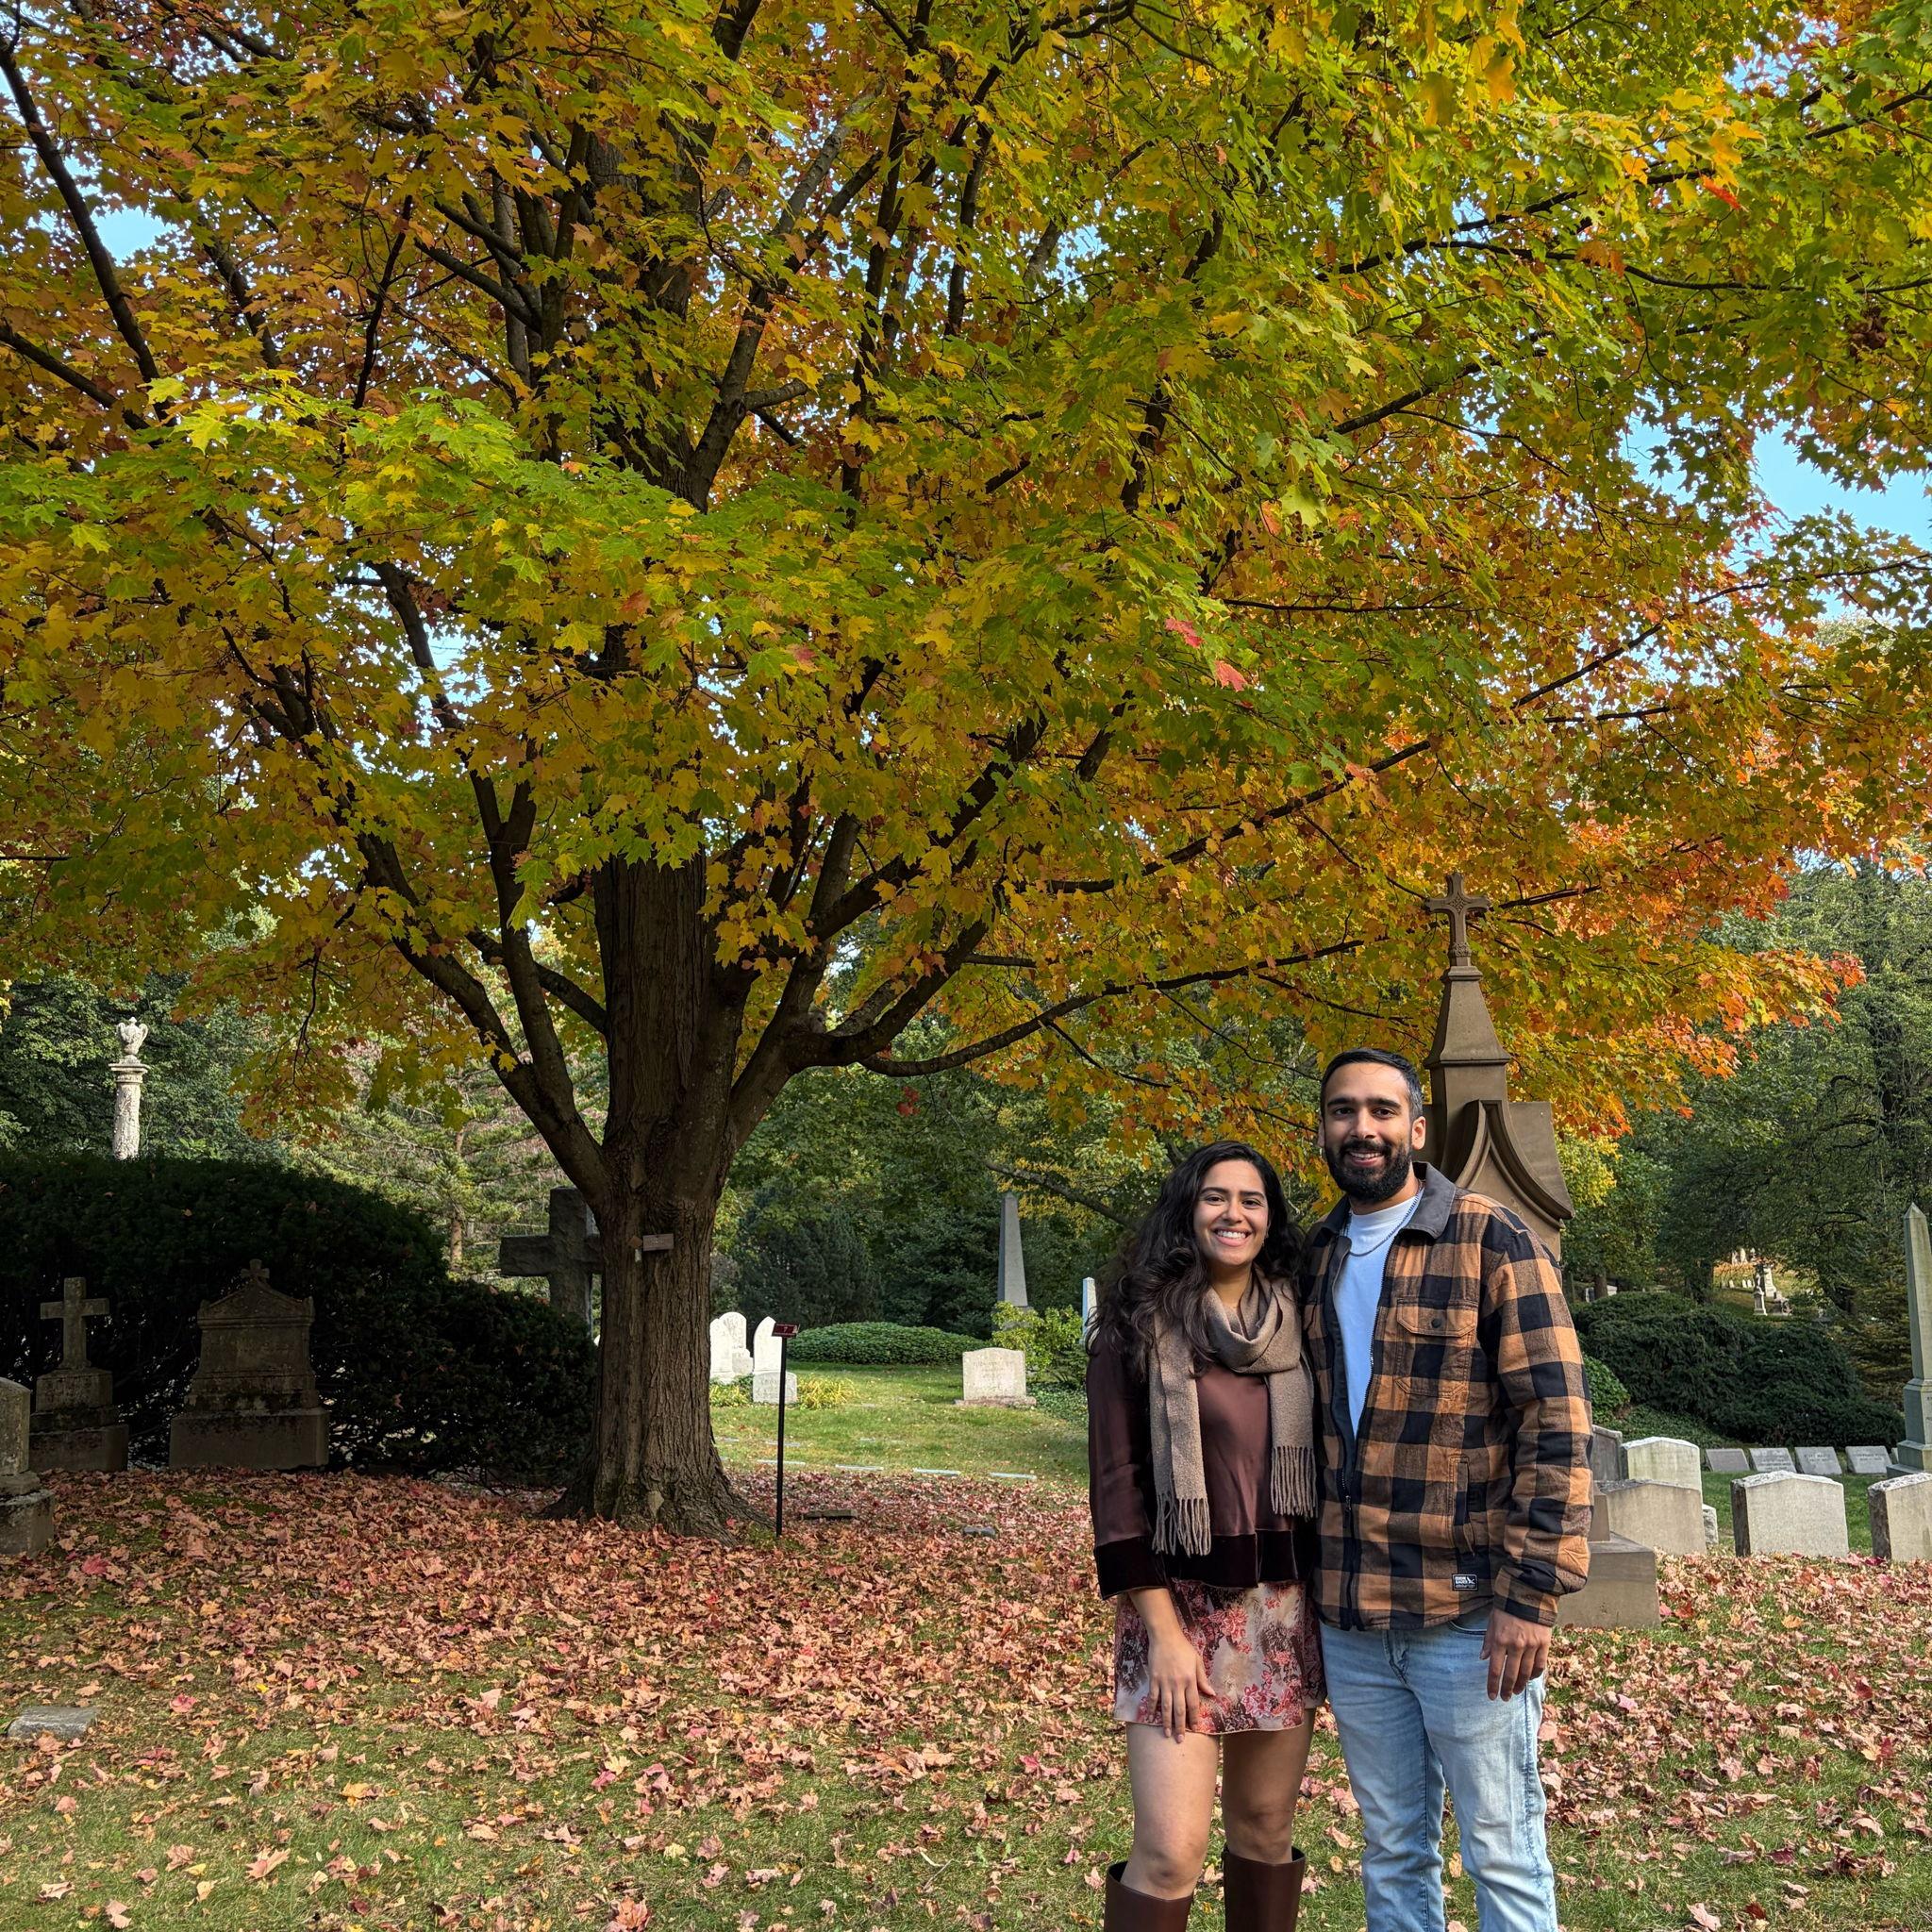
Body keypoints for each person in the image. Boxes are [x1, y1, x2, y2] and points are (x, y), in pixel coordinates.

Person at [1303, 1049, 1591, 1932]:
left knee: (1502, 1851)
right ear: (1323, 1129)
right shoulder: (1312, 1255)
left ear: (1416, 1130)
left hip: (1468, 1619)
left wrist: (1530, 1598)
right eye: (1344, 1111)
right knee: (1392, 1848)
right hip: (1353, 1618)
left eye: (1383, 1111)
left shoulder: (1487, 1236)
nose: (1363, 1128)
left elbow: (1556, 1421)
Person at [1087, 1141, 1324, 1932]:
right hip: (1177, 1613)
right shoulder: (1135, 1326)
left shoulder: (1301, 1317)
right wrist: (1164, 1635)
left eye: (1252, 1200)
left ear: (1270, 1218)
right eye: (1215, 1197)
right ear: (1187, 1210)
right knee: (1171, 1852)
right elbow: (1117, 1493)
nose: (1235, 1213)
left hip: (1282, 1614)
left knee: (1264, 1832)